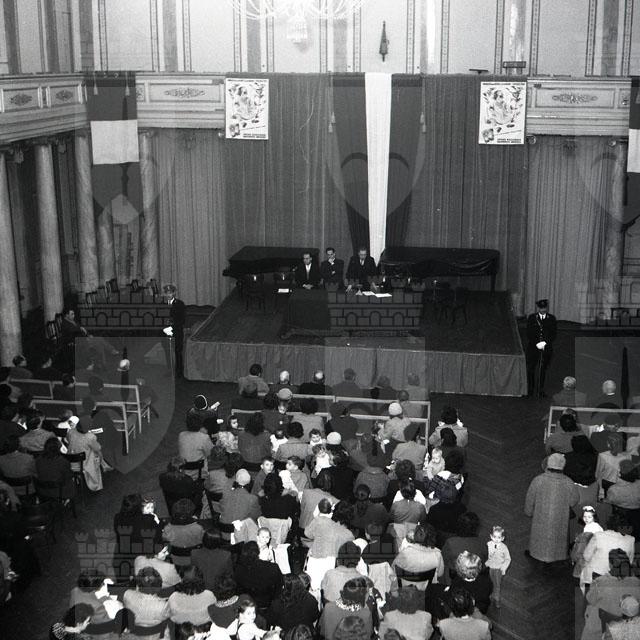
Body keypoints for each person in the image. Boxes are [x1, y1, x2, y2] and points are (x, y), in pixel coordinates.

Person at [524, 452, 579, 563]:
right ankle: (556, 557)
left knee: (539, 538)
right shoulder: (568, 482)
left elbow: (530, 499)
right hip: (559, 518)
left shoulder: (538, 480)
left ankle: (536, 554)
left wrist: (529, 512)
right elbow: (574, 500)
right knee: (557, 540)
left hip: (541, 517)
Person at [113, 493, 163, 580]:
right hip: (142, 554)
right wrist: (159, 524)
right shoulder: (148, 520)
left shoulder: (117, 517)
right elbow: (157, 537)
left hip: (124, 553)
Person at [234, 541, 284, 611]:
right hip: (268, 603)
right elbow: (280, 585)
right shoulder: (272, 567)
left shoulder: (238, 570)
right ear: (258, 552)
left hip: (247, 603)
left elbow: (238, 589)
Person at [122, 567, 170, 640]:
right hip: (154, 634)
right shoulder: (163, 606)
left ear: (138, 584)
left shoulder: (127, 594)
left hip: (134, 631)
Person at [526, 298, 557, 397]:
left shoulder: (551, 318)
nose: (543, 310)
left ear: (546, 308)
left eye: (544, 308)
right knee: (531, 368)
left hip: (546, 348)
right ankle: (530, 390)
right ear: (538, 308)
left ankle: (540, 390)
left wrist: (544, 343)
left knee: (543, 369)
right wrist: (536, 343)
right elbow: (529, 332)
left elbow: (553, 334)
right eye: (541, 308)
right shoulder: (532, 318)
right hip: (533, 347)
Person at [163, 284, 186, 378]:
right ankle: (170, 369)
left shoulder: (180, 304)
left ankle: (179, 370)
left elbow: (182, 319)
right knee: (167, 351)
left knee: (177, 351)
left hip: (177, 332)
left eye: (170, 293)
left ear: (174, 293)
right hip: (165, 332)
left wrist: (172, 325)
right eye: (167, 293)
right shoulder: (162, 304)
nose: (168, 295)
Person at [486, 525, 511, 609]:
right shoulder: (489, 544)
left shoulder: (504, 548)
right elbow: (486, 554)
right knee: (490, 582)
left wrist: (503, 568)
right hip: (490, 567)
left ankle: (496, 599)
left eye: (499, 537)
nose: (496, 539)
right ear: (491, 536)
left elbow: (508, 559)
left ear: (502, 538)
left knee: (497, 584)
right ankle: (491, 595)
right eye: (494, 537)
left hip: (498, 569)